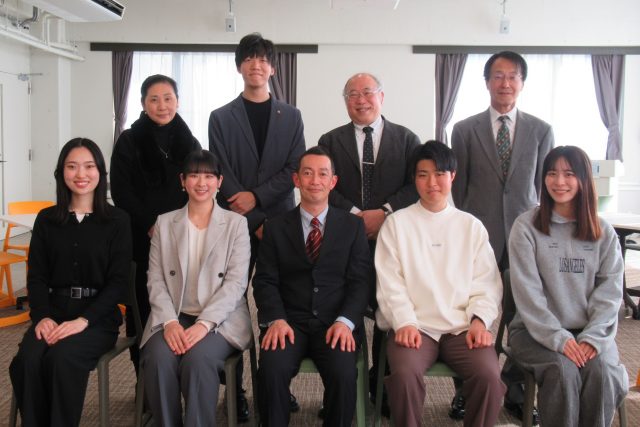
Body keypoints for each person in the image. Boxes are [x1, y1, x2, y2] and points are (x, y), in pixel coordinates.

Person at [450, 51, 554, 422]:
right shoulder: (464, 129)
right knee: (468, 311)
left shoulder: (541, 130)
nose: (505, 83)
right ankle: (467, 389)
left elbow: (545, 189)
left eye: (512, 76)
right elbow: (457, 189)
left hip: (525, 236)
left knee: (520, 315)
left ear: (522, 83)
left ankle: (514, 387)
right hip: (477, 236)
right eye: (498, 76)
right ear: (487, 82)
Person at [208, 32, 306, 418]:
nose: (256, 65)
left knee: (281, 299)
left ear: (273, 68)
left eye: (263, 59)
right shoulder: (221, 117)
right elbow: (219, 169)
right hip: (234, 222)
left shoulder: (291, 116)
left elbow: (295, 167)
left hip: (280, 222)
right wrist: (251, 212)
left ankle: (278, 386)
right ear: (239, 66)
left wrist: (259, 201)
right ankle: (235, 391)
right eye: (249, 59)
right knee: (229, 301)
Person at [375, 141, 505, 427]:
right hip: (415, 328)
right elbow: (390, 283)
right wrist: (405, 322)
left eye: (439, 174)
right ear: (414, 179)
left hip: (462, 328)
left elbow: (487, 283)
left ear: (452, 176)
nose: (431, 183)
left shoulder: (470, 226)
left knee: (489, 377)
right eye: (423, 175)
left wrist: (480, 321)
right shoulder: (397, 224)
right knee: (404, 376)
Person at [9, 138, 132, 426]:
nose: (81, 174)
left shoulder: (117, 220)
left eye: (89, 166)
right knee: (27, 361)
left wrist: (83, 321)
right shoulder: (47, 219)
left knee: (61, 359)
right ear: (61, 172)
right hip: (53, 313)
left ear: (100, 172)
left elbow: (118, 282)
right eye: (72, 166)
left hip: (97, 320)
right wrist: (41, 317)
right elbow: (37, 277)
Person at [318, 72, 420, 414]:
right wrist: (356, 216)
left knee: (387, 312)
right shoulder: (330, 140)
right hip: (345, 238)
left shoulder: (406, 139)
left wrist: (384, 213)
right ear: (345, 101)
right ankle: (342, 391)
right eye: (352, 94)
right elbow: (324, 184)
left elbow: (414, 185)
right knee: (344, 307)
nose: (360, 100)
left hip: (393, 238)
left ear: (381, 97)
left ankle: (383, 388)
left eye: (367, 92)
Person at [508, 146, 628, 427]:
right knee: (563, 372)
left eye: (569, 174)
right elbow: (529, 296)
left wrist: (593, 338)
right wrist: (559, 339)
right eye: (552, 173)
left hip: (590, 333)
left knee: (602, 373)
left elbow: (610, 294)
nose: (559, 181)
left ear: (584, 179)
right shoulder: (526, 227)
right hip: (534, 332)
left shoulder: (604, 232)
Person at [253, 146, 371, 427]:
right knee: (271, 369)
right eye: (307, 173)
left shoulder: (353, 227)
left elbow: (360, 281)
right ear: (296, 180)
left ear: (333, 181)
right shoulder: (275, 227)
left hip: (334, 323)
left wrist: (345, 322)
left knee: (344, 373)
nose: (315, 180)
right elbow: (265, 280)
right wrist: (276, 319)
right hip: (288, 323)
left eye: (322, 174)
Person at [140, 149, 252, 427]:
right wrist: (169, 322)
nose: (201, 183)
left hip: (220, 319)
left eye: (209, 176)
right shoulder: (165, 222)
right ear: (183, 180)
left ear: (219, 181)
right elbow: (155, 279)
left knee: (198, 360)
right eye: (194, 175)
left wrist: (204, 324)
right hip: (173, 315)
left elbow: (236, 283)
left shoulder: (237, 224)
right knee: (157, 358)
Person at [110, 74, 201, 371]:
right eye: (154, 99)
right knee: (143, 304)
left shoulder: (190, 141)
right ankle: (144, 376)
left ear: (178, 101)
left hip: (183, 236)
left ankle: (182, 369)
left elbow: (200, 186)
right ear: (143, 104)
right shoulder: (128, 140)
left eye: (168, 98)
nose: (162, 106)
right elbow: (122, 191)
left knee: (184, 302)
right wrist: (151, 223)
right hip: (142, 235)